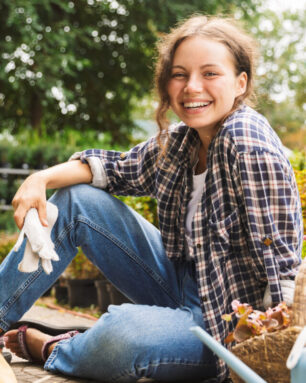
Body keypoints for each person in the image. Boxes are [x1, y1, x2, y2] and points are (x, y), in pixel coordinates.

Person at [0, 14, 303, 383]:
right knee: (79, 200)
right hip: (182, 284)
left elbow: (282, 267)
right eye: (179, 74)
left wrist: (275, 358)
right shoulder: (180, 142)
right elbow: (110, 168)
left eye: (210, 73)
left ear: (240, 83)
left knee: (126, 332)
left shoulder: (247, 141)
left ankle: (52, 348)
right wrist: (38, 179)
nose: (192, 87)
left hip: (225, 328)